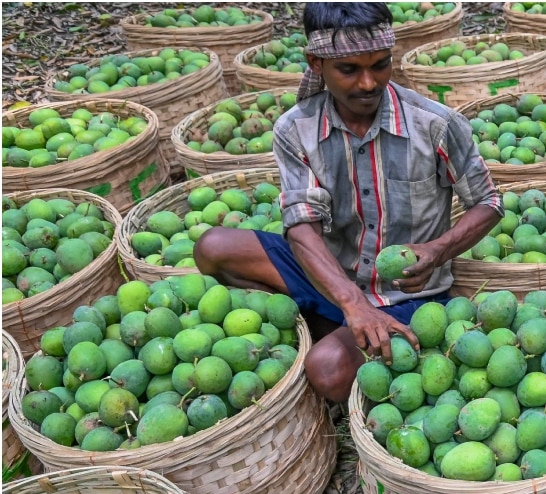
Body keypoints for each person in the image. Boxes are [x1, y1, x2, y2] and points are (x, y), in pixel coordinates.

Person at [196, 2, 503, 403]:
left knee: (328, 370)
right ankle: (334, 325)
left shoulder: (435, 124)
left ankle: (368, 339)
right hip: (333, 277)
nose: (368, 83)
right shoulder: (296, 129)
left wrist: (436, 250)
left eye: (380, 65)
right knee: (213, 247)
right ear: (316, 63)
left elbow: (489, 201)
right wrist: (351, 302)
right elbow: (301, 226)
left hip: (408, 295)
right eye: (349, 69)